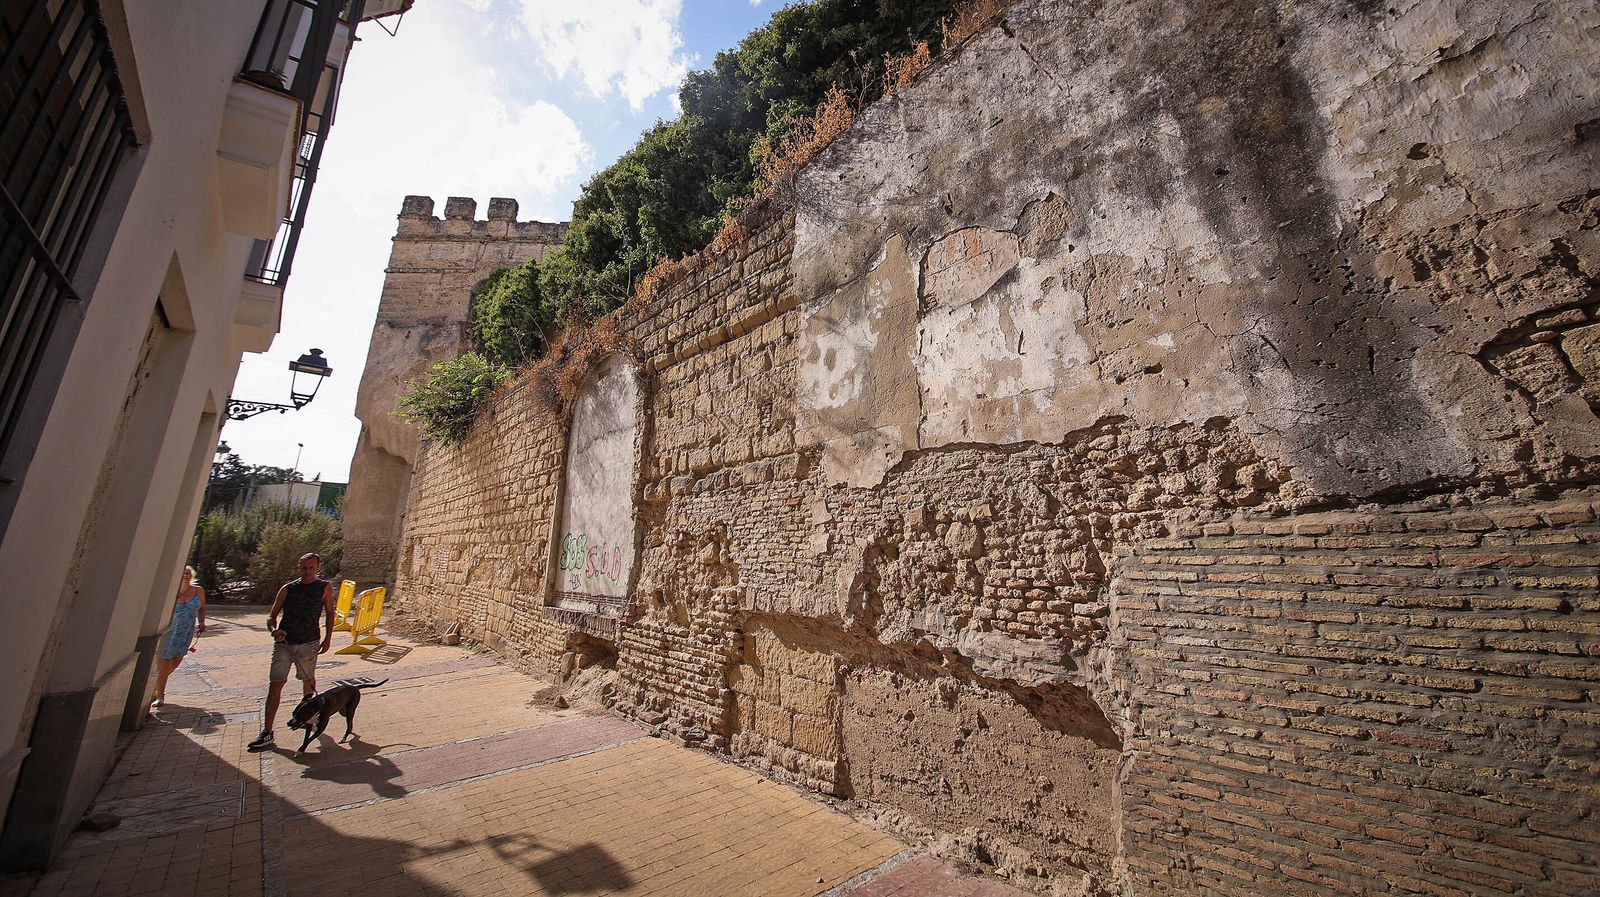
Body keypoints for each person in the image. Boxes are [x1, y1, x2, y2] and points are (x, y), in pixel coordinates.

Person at [247, 552, 335, 752]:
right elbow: (272, 616)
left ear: (318, 568)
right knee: (275, 685)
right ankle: (267, 732)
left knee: (308, 682)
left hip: (309, 642)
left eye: (311, 568)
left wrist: (329, 638)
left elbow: (330, 613)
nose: (307, 572)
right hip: (284, 643)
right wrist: (274, 630)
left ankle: (307, 718)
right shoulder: (288, 589)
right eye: (304, 568)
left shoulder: (324, 588)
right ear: (298, 568)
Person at [151, 566, 206, 707]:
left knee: (176, 662)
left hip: (186, 633)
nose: (185, 575)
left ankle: (154, 686)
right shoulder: (172, 592)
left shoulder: (198, 590)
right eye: (182, 573)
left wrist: (202, 622)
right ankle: (160, 696)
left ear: (191, 575)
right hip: (171, 632)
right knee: (166, 662)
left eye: (187, 573)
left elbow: (202, 607)